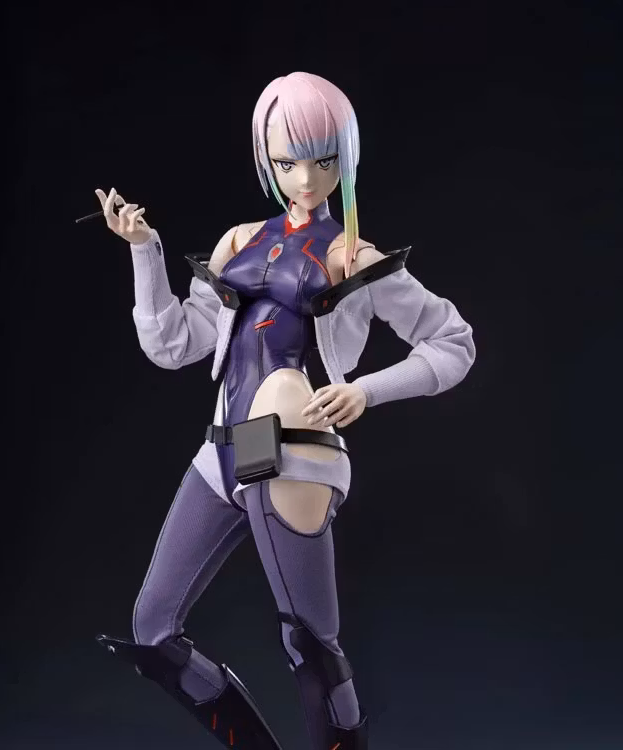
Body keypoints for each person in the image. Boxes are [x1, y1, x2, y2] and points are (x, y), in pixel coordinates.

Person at [92, 72, 476, 750]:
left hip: (288, 440)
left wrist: (366, 390)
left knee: (309, 639)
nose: (306, 178)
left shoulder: (352, 257)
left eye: (324, 160)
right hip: (223, 447)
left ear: (344, 159)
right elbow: (173, 344)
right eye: (288, 161)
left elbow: (454, 342)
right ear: (266, 158)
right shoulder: (239, 241)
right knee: (153, 629)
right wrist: (144, 251)